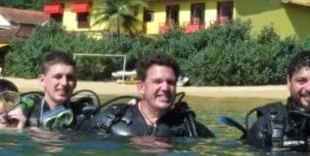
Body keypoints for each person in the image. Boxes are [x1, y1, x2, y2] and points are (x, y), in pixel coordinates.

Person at [81, 51, 213, 138]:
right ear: (141, 87)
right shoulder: (110, 121)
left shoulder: (188, 128)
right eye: (157, 81)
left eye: (171, 82)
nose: (165, 88)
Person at [19, 51, 96, 130]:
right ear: (42, 80)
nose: (64, 83)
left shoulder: (84, 116)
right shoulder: (25, 113)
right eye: (58, 76)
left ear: (75, 82)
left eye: (69, 78)